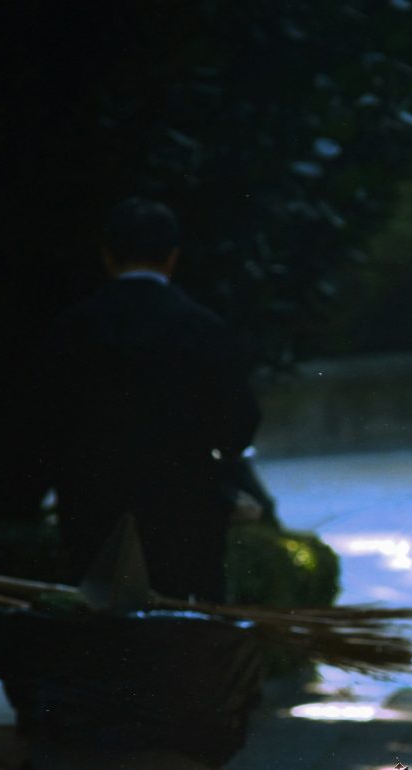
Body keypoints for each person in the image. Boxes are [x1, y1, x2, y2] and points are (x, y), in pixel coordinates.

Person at [35, 197, 261, 601]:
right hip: (183, 513)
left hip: (92, 510)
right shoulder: (203, 328)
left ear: (107, 256)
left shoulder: (71, 330)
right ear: (172, 258)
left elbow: (44, 422)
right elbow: (238, 426)